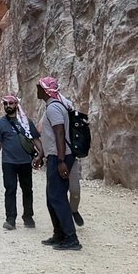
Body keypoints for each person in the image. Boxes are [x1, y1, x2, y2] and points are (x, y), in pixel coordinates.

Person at [34, 75, 83, 251]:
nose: (37, 89)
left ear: (46, 90)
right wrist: (42, 156)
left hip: (60, 157)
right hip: (54, 156)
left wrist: (61, 160)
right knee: (51, 197)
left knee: (57, 197)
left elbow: (60, 134)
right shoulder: (53, 106)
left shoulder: (53, 108)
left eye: (39, 87)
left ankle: (71, 238)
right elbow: (51, 138)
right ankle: (59, 234)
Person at [0, 93, 37, 230]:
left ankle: (28, 217)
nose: (8, 106)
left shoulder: (26, 122)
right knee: (10, 190)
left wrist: (41, 154)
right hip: (9, 163)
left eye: (11, 103)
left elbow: (35, 139)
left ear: (16, 105)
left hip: (25, 162)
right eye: (5, 104)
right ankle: (10, 219)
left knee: (27, 190)